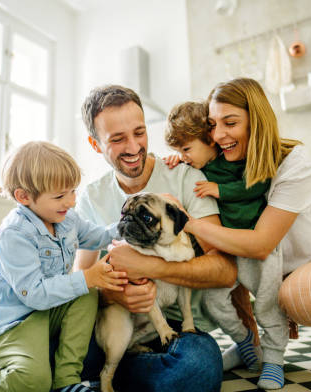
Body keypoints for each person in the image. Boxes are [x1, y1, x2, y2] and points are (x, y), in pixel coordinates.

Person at [179, 78, 311, 390]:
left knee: (301, 294)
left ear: (256, 123)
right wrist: (181, 158)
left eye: (230, 123)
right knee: (222, 275)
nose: (218, 135)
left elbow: (260, 244)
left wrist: (187, 222)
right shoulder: (226, 164)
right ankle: (251, 347)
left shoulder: (294, 165)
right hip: (265, 266)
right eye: (213, 125)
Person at [75, 85, 242, 392]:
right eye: (117, 138)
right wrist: (114, 295)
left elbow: (225, 270)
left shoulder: (187, 178)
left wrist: (149, 267)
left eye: (139, 132)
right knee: (39, 350)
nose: (134, 146)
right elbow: (78, 280)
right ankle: (129, 368)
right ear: (95, 144)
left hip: (178, 326)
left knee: (197, 370)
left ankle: (111, 372)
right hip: (115, 321)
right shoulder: (91, 197)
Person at [0, 141, 128, 392]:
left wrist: (129, 224)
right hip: (8, 325)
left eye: (72, 191)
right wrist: (88, 276)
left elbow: (99, 235)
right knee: (33, 380)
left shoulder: (66, 218)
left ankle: (66, 381)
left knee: (86, 292)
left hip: (42, 313)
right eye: (59, 196)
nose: (70, 201)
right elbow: (35, 294)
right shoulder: (15, 234)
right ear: (23, 197)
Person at [164, 101, 286, 387]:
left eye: (186, 149)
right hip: (231, 250)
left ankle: (274, 360)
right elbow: (187, 162)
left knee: (268, 305)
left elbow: (257, 183)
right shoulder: (199, 164)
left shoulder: (234, 160)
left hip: (259, 246)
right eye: (178, 150)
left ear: (209, 139)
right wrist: (177, 160)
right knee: (213, 300)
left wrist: (219, 190)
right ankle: (244, 340)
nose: (183, 156)